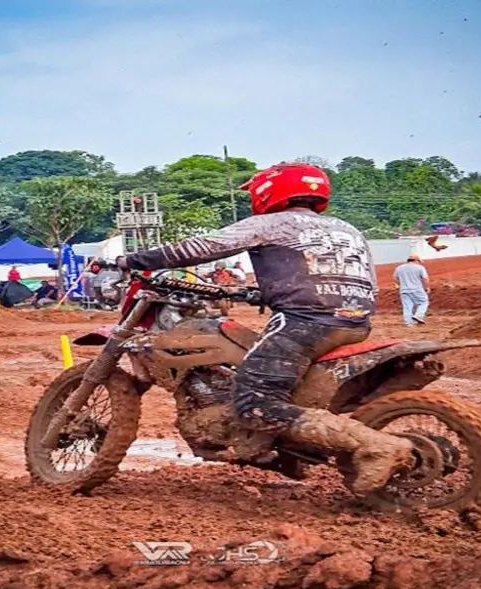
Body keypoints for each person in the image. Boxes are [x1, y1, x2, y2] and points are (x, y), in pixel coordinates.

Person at [117, 162, 413, 495]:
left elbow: (203, 248)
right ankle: (286, 454)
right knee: (276, 388)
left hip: (304, 324)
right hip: (355, 323)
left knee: (254, 402)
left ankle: (375, 446)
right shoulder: (346, 228)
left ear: (268, 191)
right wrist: (257, 292)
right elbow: (333, 276)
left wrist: (134, 260)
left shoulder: (273, 223)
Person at [393, 255, 430, 326]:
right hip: (417, 289)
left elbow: (395, 278)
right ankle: (418, 316)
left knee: (407, 306)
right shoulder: (420, 268)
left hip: (404, 290)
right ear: (416, 260)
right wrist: (426, 287)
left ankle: (409, 323)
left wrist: (402, 284)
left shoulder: (399, 268)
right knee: (423, 302)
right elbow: (425, 278)